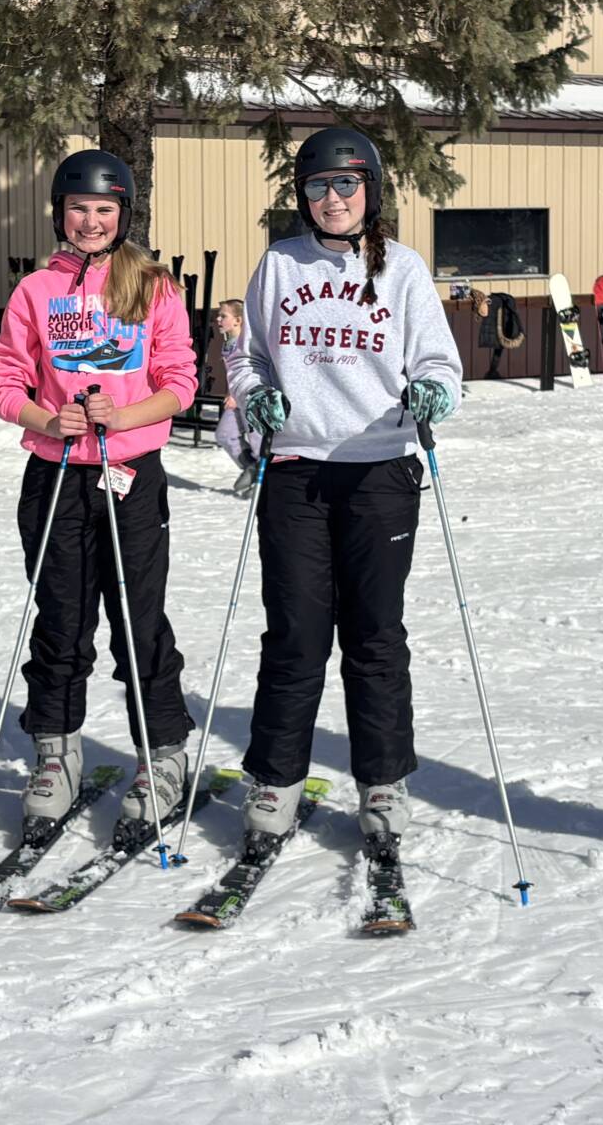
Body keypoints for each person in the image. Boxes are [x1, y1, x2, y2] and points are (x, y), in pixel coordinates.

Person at [225, 127, 463, 853]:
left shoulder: (404, 270)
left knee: (374, 634)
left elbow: (440, 362)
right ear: (303, 196)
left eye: (346, 185)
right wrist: (254, 394)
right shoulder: (279, 266)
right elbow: (249, 357)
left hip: (382, 467)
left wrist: (432, 392)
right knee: (295, 634)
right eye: (319, 187)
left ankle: (383, 781)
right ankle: (276, 779)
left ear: (373, 191)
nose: (332, 199)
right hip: (296, 469)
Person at [0, 149, 199, 829]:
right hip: (55, 475)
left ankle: (161, 750)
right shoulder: (34, 293)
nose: (91, 221)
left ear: (123, 215)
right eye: (79, 209)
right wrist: (48, 419)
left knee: (138, 620)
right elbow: (2, 382)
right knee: (62, 619)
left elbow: (181, 383)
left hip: (130, 473)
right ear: (60, 213)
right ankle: (56, 750)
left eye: (105, 210)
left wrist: (122, 415)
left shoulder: (152, 286)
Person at [211, 299, 262, 497]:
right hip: (235, 399)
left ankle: (262, 485)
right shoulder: (227, 344)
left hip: (251, 399)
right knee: (225, 434)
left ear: (238, 320)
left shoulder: (248, 343)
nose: (218, 319)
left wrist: (236, 393)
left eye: (223, 316)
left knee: (258, 442)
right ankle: (253, 469)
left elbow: (252, 371)